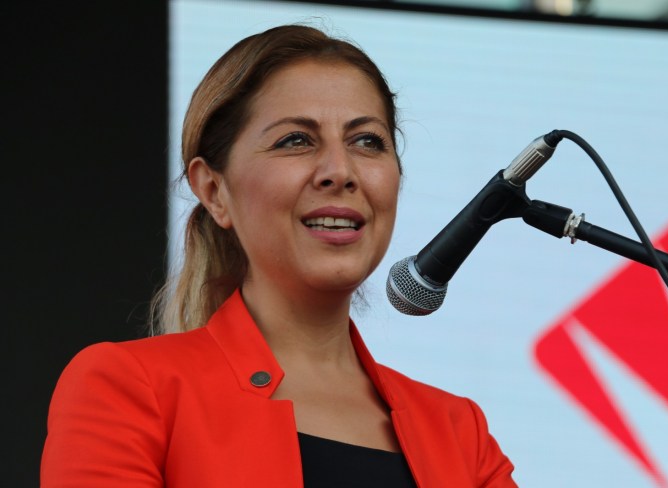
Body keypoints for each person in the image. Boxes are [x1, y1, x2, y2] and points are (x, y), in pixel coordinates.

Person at [40, 24, 517, 487]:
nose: (340, 171)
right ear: (214, 191)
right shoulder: (130, 387)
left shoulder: (461, 434)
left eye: (367, 141)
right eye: (296, 140)